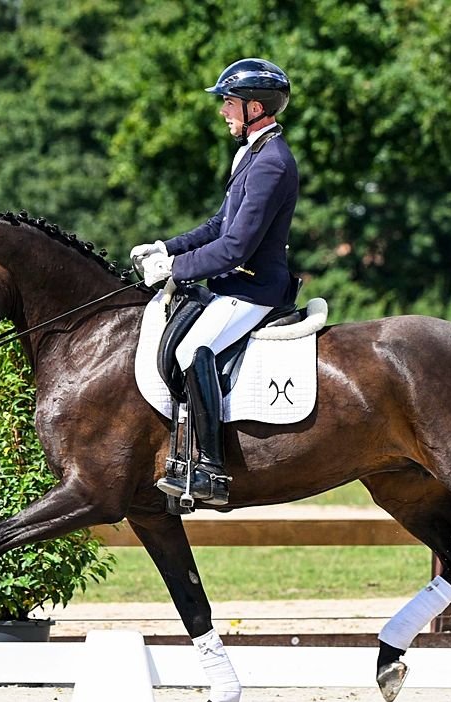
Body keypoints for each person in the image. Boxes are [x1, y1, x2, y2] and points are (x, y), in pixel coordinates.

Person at [131, 58, 299, 507]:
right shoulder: (251, 153)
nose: (223, 111)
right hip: (233, 284)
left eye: (229, 102)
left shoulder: (273, 163)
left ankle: (209, 469)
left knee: (190, 352)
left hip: (254, 287)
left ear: (255, 107)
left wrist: (175, 270)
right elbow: (219, 224)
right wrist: (167, 248)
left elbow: (237, 248)